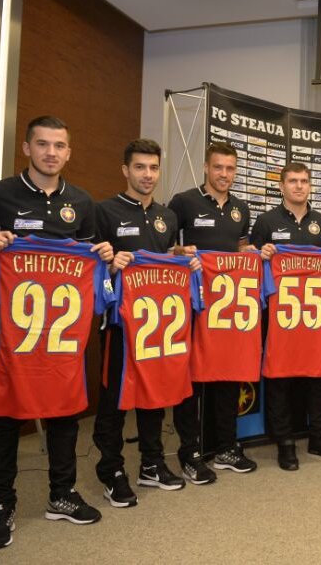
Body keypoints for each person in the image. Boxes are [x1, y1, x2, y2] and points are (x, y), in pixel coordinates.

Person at [0, 116, 114, 549]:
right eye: (42, 144)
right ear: (26, 148)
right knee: (6, 416)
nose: (51, 153)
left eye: (59, 146)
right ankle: (1, 502)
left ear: (69, 152)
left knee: (64, 414)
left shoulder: (81, 202)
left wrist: (102, 252)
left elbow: (91, 256)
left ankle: (62, 494)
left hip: (64, 336)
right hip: (15, 334)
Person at [91, 139, 191, 507]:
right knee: (114, 400)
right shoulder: (104, 211)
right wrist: (109, 266)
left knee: (154, 394)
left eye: (153, 168)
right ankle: (111, 470)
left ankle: (152, 463)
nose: (147, 175)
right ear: (125, 170)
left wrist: (183, 259)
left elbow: (167, 261)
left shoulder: (168, 216)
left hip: (158, 325)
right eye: (139, 167)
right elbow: (89, 269)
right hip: (119, 324)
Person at [168, 142, 255, 481]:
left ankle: (225, 447)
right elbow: (165, 247)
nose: (224, 174)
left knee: (228, 376)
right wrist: (179, 252)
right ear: (206, 167)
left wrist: (254, 255)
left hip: (228, 309)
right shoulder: (183, 202)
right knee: (191, 379)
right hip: (192, 304)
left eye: (230, 168)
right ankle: (190, 451)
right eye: (218, 167)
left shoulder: (241, 209)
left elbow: (241, 250)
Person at [249, 162, 321, 470]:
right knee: (279, 378)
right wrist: (259, 254)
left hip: (315, 316)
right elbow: (250, 262)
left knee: (318, 376)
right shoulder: (266, 221)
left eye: (304, 181)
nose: (299, 186)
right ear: (282, 186)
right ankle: (285, 442)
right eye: (293, 181)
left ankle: (319, 436)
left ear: (310, 185)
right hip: (280, 317)